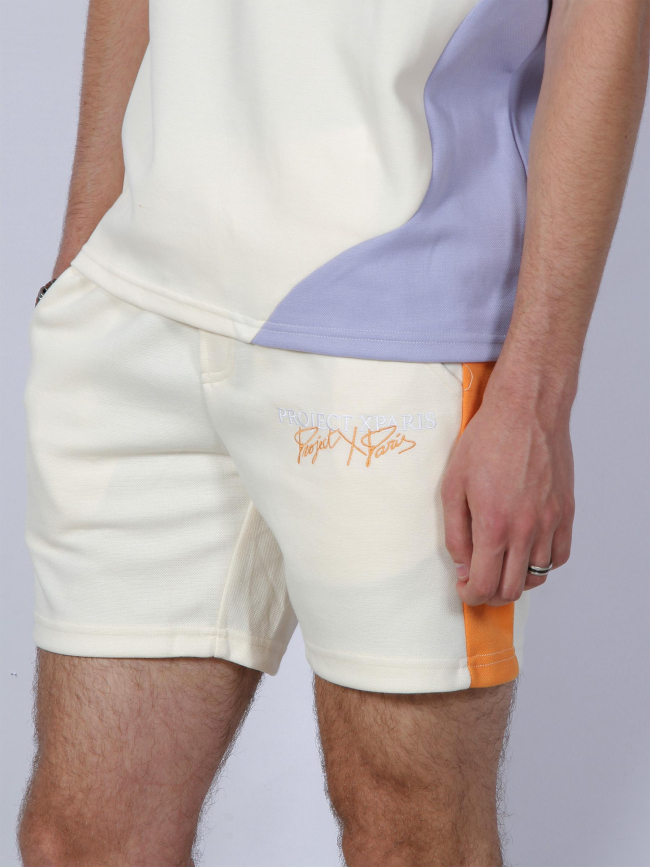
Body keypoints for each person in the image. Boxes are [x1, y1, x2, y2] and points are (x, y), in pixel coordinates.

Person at [17, 1, 648, 865]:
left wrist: (536, 391)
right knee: (80, 841)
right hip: (138, 299)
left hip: (393, 328)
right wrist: (84, 252)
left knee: (411, 837)